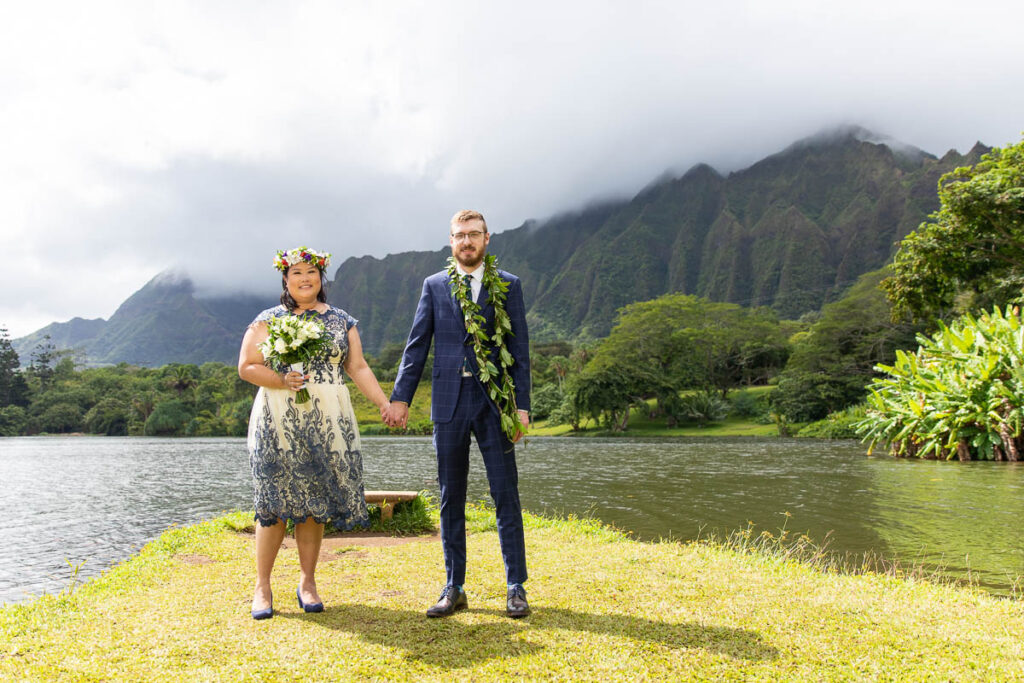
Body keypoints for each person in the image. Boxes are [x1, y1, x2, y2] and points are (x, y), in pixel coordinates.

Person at [388, 210, 532, 618]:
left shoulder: (508, 285)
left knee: (506, 494)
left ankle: (515, 586)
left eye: (473, 234)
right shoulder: (434, 286)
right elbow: (417, 347)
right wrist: (401, 398)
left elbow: (519, 351)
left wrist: (522, 407)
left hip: (496, 405)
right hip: (449, 402)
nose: (466, 241)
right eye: (459, 236)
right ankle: (454, 586)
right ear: (450, 241)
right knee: (451, 496)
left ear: (487, 239)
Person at [238, 246, 391, 620]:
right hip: (278, 418)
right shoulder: (268, 320)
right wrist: (280, 378)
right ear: (285, 281)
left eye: (311, 272)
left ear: (321, 277)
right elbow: (246, 366)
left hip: (328, 419)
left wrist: (385, 404)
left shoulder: (342, 321)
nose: (304, 279)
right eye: (296, 273)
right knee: (273, 504)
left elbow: (358, 367)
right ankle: (262, 586)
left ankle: (307, 582)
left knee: (315, 502)